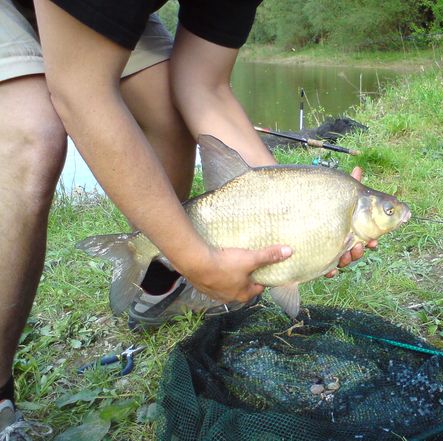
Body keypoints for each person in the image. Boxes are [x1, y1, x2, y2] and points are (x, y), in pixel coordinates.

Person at [1, 0, 374, 437]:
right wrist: (199, 261)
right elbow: (80, 92)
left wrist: (292, 209)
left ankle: (159, 278)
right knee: (31, 133)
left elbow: (206, 87)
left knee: (167, 105)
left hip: (103, 14)